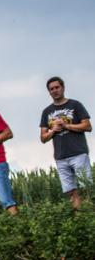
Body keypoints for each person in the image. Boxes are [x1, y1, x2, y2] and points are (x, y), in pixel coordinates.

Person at [40, 76, 92, 210]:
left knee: (86, 188)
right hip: (60, 157)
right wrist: (53, 130)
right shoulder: (47, 111)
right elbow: (43, 138)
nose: (55, 90)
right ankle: (78, 217)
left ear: (63, 88)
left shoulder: (75, 105)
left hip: (78, 153)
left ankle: (90, 216)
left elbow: (88, 126)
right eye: (51, 89)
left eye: (57, 87)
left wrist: (66, 126)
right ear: (49, 92)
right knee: (70, 191)